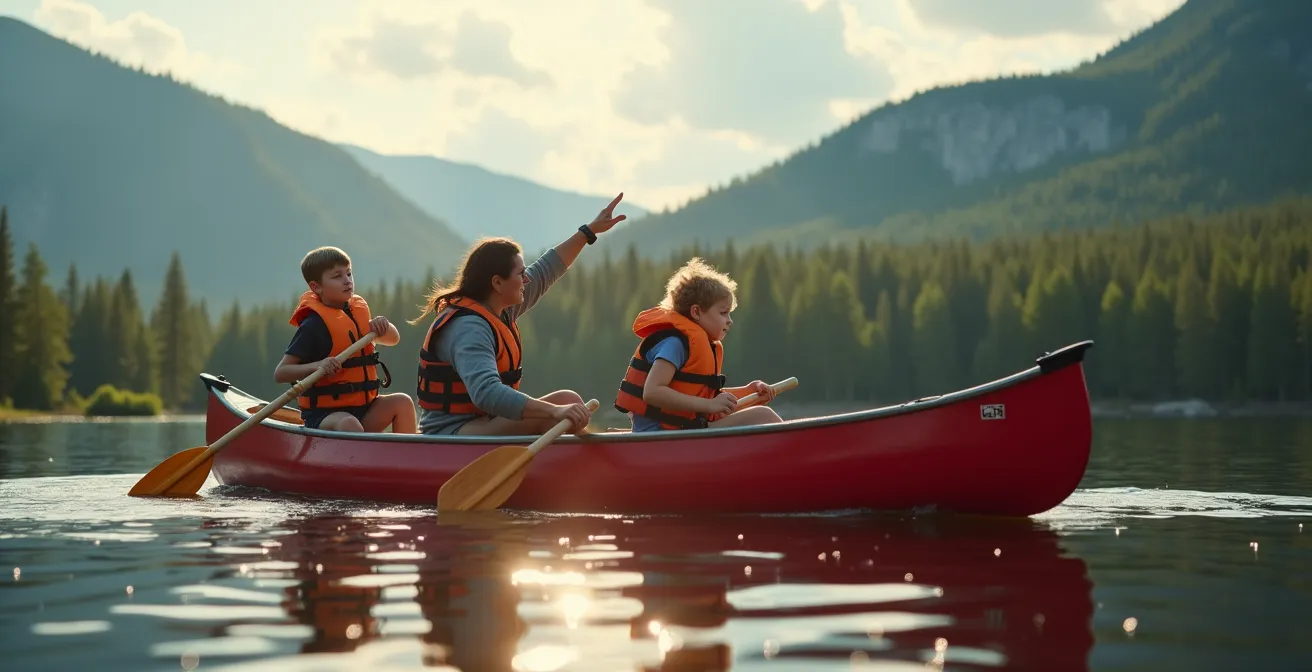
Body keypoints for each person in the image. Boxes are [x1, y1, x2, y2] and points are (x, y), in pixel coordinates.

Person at [411, 194, 628, 436]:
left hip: (484, 422)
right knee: (563, 406)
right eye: (521, 274)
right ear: (497, 283)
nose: (526, 280)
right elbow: (486, 393)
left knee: (568, 400)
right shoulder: (469, 328)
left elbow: (547, 269)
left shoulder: (499, 307)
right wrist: (554, 412)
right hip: (452, 434)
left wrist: (588, 232)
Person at [614, 257, 783, 432]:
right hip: (660, 435)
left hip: (685, 430)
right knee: (764, 416)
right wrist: (709, 405)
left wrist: (750, 392)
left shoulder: (697, 345)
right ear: (696, 312)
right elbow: (652, 392)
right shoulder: (675, 345)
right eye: (723, 313)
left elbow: (703, 397)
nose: (729, 320)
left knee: (760, 414)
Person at [274, 246, 418, 433]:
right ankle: (363, 452)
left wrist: (383, 326)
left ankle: (405, 453)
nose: (347, 281)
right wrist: (318, 366)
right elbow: (281, 373)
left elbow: (393, 339)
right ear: (316, 287)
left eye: (349, 274)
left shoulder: (356, 313)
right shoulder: (313, 326)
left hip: (364, 410)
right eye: (337, 276)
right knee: (349, 424)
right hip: (325, 416)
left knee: (403, 403)